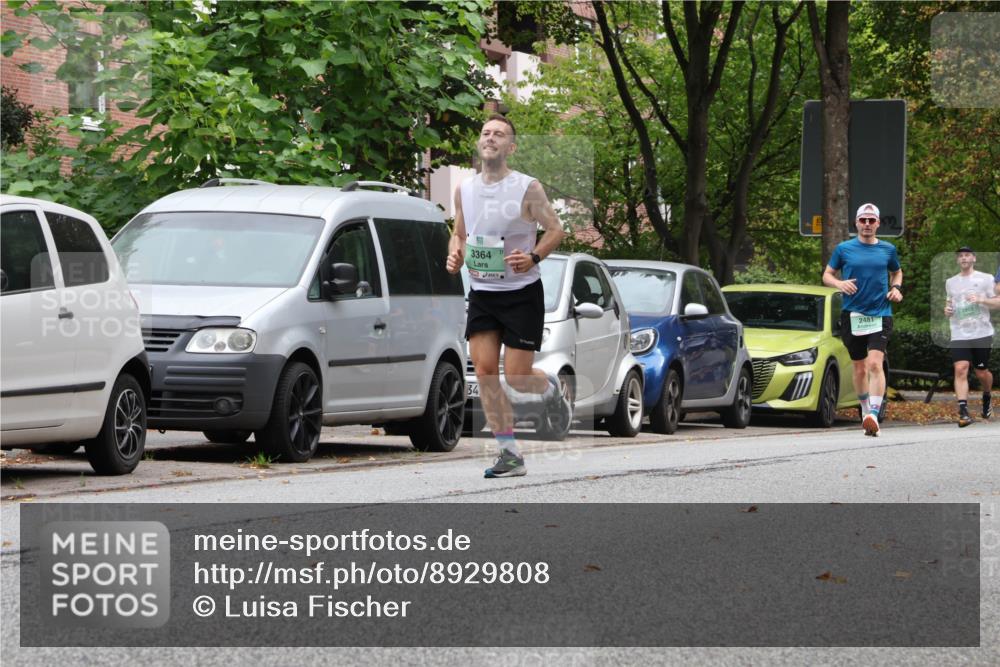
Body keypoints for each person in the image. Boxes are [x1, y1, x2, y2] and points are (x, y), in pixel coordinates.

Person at [446, 114, 570, 478]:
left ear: (511, 147)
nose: (490, 137)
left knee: (516, 377)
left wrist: (533, 256)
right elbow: (460, 234)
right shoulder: (463, 189)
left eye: (499, 134)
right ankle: (509, 453)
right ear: (479, 143)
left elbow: (555, 230)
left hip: (521, 292)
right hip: (483, 292)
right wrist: (454, 254)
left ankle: (549, 389)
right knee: (485, 372)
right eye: (485, 132)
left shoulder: (527, 188)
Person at [822, 203, 903, 437]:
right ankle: (866, 411)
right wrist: (839, 283)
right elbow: (827, 274)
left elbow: (897, 271)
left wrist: (896, 288)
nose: (867, 224)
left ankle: (874, 415)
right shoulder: (844, 249)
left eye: (871, 220)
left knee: (875, 364)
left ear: (878, 223)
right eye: (863, 220)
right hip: (853, 315)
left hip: (881, 313)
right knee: (859, 368)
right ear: (856, 223)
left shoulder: (888, 249)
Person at [944, 246, 999, 426]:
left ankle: (987, 395)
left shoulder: (986, 279)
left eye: (967, 255)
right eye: (960, 256)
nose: (964, 258)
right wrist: (947, 310)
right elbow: (949, 303)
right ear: (957, 260)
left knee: (981, 372)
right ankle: (963, 411)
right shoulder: (951, 282)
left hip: (981, 332)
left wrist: (982, 300)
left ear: (974, 258)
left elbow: (998, 302)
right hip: (959, 332)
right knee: (961, 368)